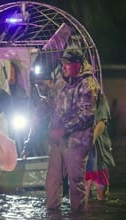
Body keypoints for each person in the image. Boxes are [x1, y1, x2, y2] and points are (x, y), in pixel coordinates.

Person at [46, 47, 100, 211]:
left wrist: (64, 129)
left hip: (77, 141)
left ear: (78, 65)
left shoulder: (88, 84)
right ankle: (52, 215)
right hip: (58, 140)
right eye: (63, 63)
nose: (64, 67)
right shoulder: (61, 81)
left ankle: (78, 216)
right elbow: (52, 101)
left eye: (67, 64)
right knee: (52, 179)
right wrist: (44, 106)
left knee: (76, 181)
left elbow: (87, 115)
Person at [85, 93, 115, 201]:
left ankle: (100, 205)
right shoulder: (77, 96)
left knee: (100, 187)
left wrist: (90, 141)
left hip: (98, 149)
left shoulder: (100, 98)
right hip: (84, 148)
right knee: (85, 185)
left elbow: (102, 123)